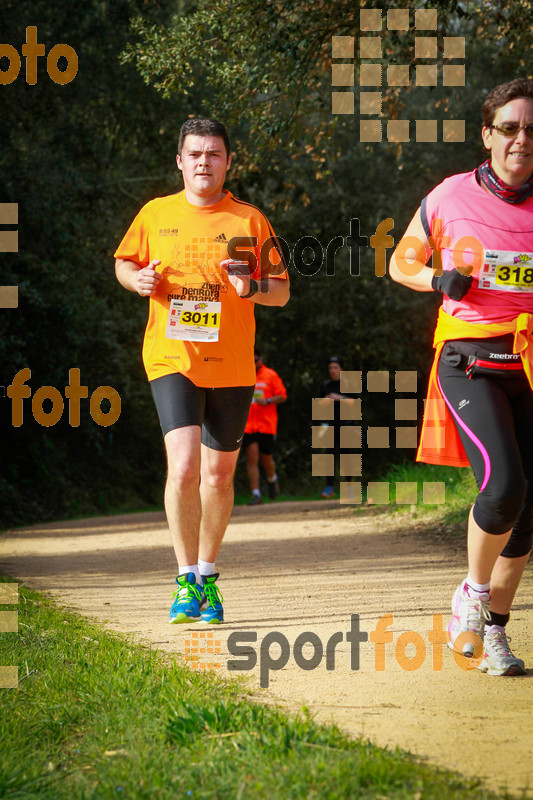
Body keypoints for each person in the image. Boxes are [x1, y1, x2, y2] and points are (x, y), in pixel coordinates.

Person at [114, 118, 289, 624]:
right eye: (195, 154)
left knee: (218, 474)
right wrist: (137, 281)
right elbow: (125, 263)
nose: (203, 162)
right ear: (180, 161)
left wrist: (251, 288)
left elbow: (281, 290)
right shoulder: (155, 213)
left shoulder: (248, 221)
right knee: (185, 466)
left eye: (214, 154)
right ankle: (184, 579)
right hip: (172, 357)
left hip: (232, 364)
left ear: (228, 161)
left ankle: (208, 574)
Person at [389, 78, 533, 676]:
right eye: (509, 128)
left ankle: (494, 631)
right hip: (468, 357)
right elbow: (401, 261)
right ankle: (470, 600)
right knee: (502, 487)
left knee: (526, 513)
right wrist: (435, 281)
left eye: (532, 130)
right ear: (487, 135)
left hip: (529, 358)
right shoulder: (449, 195)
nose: (521, 140)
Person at [242, 349, 287, 505]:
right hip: (247, 425)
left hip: (267, 424)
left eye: (255, 360)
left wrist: (267, 401)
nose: (253, 363)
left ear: (260, 359)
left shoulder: (270, 375)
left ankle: (272, 480)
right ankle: (256, 494)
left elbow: (282, 395)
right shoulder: (241, 374)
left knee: (266, 458)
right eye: (250, 360)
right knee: (252, 457)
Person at [318, 356, 355, 498]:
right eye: (330, 368)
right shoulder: (325, 385)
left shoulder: (349, 385)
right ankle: (329, 487)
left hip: (346, 424)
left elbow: (356, 403)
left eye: (336, 367)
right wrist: (324, 402)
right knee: (328, 456)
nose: (333, 370)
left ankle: (350, 487)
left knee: (347, 456)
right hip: (329, 425)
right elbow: (319, 404)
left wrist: (340, 398)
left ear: (341, 369)